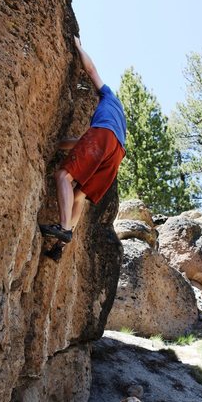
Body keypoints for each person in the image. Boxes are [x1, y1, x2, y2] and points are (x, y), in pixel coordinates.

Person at [40, 36, 126, 246]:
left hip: (103, 137)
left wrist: (78, 47)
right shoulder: (118, 118)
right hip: (116, 154)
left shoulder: (108, 96)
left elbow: (92, 70)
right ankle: (60, 246)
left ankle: (64, 229)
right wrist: (57, 143)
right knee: (79, 196)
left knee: (63, 176)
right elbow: (86, 144)